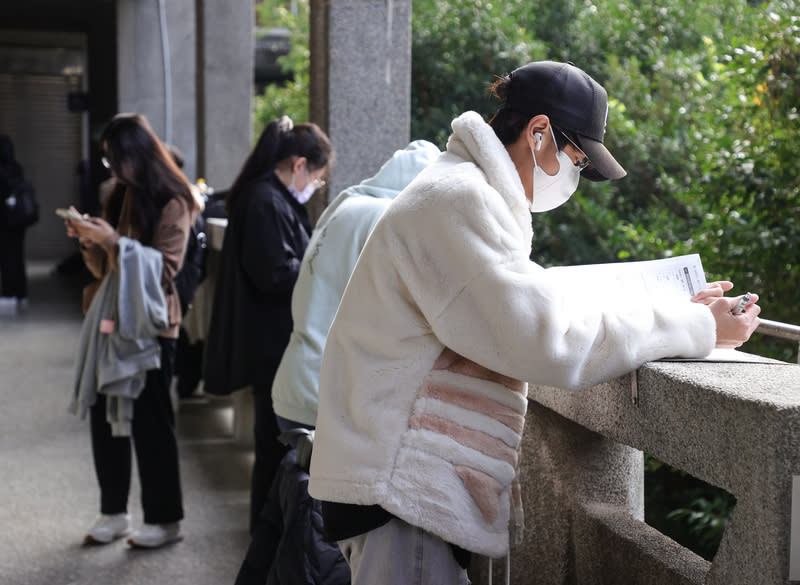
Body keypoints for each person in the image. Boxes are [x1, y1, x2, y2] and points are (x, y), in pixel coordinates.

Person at [307, 60, 761, 584]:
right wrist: (698, 329)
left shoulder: (465, 191)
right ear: (539, 132)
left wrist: (684, 311)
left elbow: (532, 300)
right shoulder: (460, 200)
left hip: (401, 480)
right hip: (402, 487)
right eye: (575, 158)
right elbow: (548, 339)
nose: (576, 176)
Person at [232, 139, 441, 585]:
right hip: (325, 393)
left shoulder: (346, 207)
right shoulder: (387, 221)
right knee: (318, 544)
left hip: (293, 378)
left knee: (283, 511)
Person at [65, 113, 198, 549]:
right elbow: (106, 270)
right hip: (110, 321)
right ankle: (114, 511)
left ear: (138, 155)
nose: (113, 169)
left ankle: (165, 519)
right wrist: (91, 241)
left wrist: (112, 242)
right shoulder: (120, 195)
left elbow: (165, 269)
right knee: (107, 419)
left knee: (151, 423)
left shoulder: (175, 199)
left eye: (116, 159)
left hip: (153, 328)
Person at [203, 115, 334, 533]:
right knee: (275, 449)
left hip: (268, 341)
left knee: (274, 448)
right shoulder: (265, 201)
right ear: (299, 165)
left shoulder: (266, 196)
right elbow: (275, 273)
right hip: (270, 344)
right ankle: (268, 536)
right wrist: (319, 265)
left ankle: (269, 534)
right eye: (316, 175)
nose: (315, 184)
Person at [0, 134, 37, 312]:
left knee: (7, 260)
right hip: (18, 222)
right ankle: (20, 294)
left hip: (5, 222)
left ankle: (9, 296)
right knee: (17, 258)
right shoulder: (16, 167)